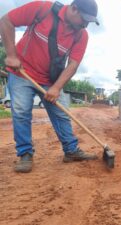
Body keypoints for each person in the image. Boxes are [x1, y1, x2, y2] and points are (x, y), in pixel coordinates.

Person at [0, 0, 100, 173]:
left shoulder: (81, 35)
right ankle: (25, 154)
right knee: (21, 112)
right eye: (84, 19)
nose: (85, 25)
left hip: (50, 80)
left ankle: (71, 151)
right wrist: (11, 55)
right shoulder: (42, 8)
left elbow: (73, 64)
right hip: (22, 72)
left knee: (62, 114)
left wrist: (56, 87)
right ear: (73, 9)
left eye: (89, 22)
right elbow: (6, 20)